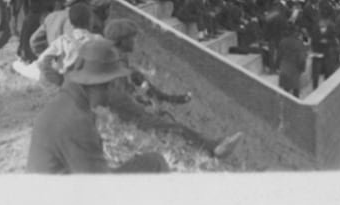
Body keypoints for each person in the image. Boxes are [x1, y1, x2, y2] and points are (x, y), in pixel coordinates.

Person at [101, 18, 244, 161]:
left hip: (130, 111)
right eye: (131, 38)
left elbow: (128, 91)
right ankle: (214, 149)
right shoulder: (115, 64)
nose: (134, 42)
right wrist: (142, 109)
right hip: (130, 117)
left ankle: (213, 144)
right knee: (176, 128)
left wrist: (145, 101)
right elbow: (117, 99)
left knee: (170, 121)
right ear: (122, 40)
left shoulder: (117, 59)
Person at [26, 39, 169, 174]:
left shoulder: (66, 101)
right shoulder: (77, 121)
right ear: (94, 84)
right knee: (155, 163)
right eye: (108, 86)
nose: (108, 95)